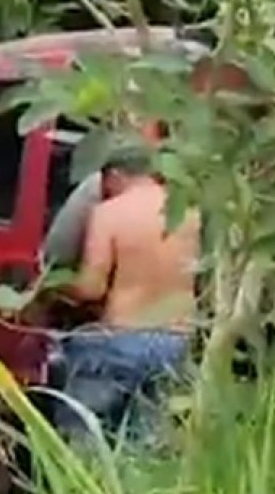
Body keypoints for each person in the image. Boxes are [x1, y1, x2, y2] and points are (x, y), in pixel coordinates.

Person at [53, 147, 201, 440]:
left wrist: (55, 287)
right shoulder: (189, 213)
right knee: (151, 444)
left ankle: (79, 485)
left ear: (116, 175)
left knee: (85, 436)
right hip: (176, 340)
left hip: (120, 339)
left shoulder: (110, 213)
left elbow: (91, 288)